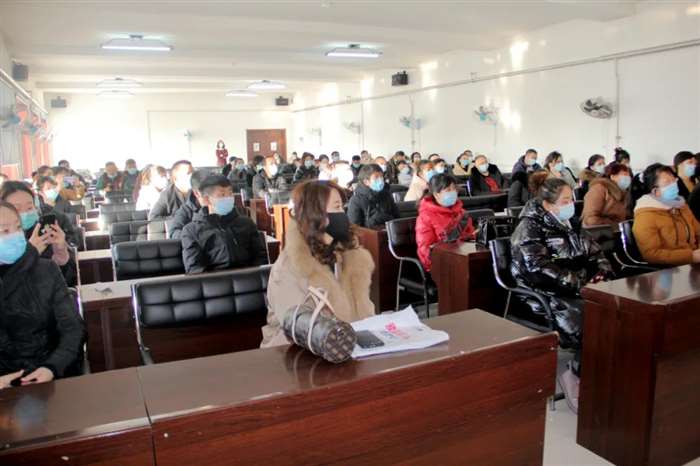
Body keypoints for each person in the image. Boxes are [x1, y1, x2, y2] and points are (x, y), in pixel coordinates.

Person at [510, 178, 612, 413]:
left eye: (571, 199)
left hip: (576, 287)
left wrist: (601, 272)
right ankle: (575, 374)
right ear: (548, 205)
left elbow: (595, 252)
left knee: (617, 313)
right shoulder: (529, 228)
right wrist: (579, 284)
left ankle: (602, 375)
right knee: (592, 323)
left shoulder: (569, 223)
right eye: (565, 201)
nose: (571, 204)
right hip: (542, 293)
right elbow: (536, 269)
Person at [260, 180, 375, 347]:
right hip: (291, 350)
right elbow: (297, 326)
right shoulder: (289, 266)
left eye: (342, 207)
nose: (343, 214)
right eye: (337, 207)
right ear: (316, 213)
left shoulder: (346, 255)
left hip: (345, 346)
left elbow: (364, 314)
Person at [0, 201, 85, 388]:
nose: (15, 235)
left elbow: (73, 328)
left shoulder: (45, 270)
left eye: (18, 228)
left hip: (51, 375)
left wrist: (52, 367)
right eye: (5, 231)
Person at [181, 175, 267, 274]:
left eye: (230, 194)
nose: (228, 198)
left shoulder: (246, 223)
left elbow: (260, 257)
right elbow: (194, 269)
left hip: (249, 277)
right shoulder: (192, 231)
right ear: (207, 199)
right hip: (215, 281)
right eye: (222, 195)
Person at [1, 181, 77, 285]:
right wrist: (30, 254)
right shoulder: (5, 244)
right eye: (16, 209)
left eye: (29, 207)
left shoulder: (43, 233)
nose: (25, 213)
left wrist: (62, 256)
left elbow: (69, 282)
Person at [633, 164, 700, 266]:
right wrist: (691, 256)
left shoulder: (682, 206)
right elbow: (652, 254)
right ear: (655, 191)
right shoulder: (645, 216)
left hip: (693, 262)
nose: (674, 184)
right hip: (671, 269)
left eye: (674, 180)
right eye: (668, 182)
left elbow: (698, 232)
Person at [415, 174, 475, 272]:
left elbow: (471, 237)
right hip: (441, 263)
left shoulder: (461, 213)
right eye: (448, 190)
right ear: (436, 194)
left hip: (463, 258)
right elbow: (425, 250)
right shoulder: (425, 217)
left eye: (454, 189)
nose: (453, 192)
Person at [581, 162, 632, 229]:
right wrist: (616, 226)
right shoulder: (598, 189)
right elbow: (590, 219)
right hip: (599, 231)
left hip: (617, 230)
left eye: (629, 175)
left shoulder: (623, 192)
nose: (628, 178)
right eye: (625, 175)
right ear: (612, 176)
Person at [347, 164, 399, 228]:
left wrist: (388, 218)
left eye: (381, 176)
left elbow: (397, 218)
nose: (381, 180)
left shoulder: (387, 195)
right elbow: (355, 228)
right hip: (369, 233)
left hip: (390, 231)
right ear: (366, 182)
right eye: (376, 177)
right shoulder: (356, 201)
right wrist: (374, 220)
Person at [167, 170, 205, 239]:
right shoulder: (186, 210)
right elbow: (174, 232)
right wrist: (194, 236)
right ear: (197, 193)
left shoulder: (219, 207)